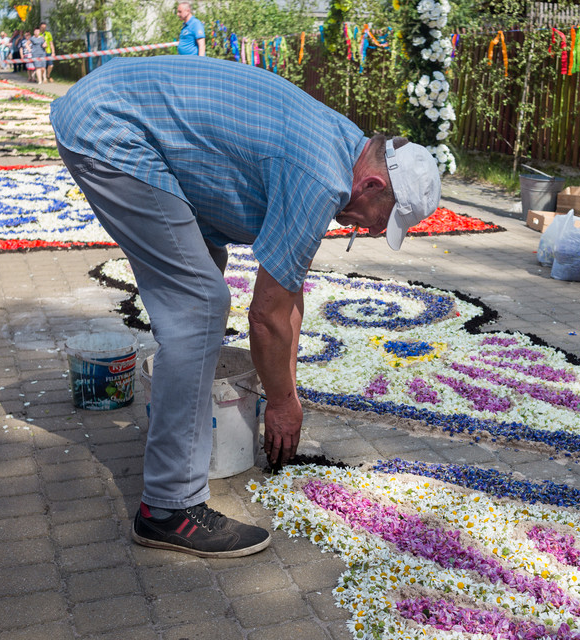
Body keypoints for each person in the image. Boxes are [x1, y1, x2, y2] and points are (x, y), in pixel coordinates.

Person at [49, 56, 441, 558]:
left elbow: (287, 289)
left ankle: (178, 441)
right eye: (380, 219)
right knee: (200, 306)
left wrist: (288, 389)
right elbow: (268, 315)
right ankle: (168, 509)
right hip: (111, 130)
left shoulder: (347, 145)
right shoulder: (322, 177)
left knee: (199, 283)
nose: (366, 229)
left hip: (117, 112)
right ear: (372, 186)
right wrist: (280, 403)